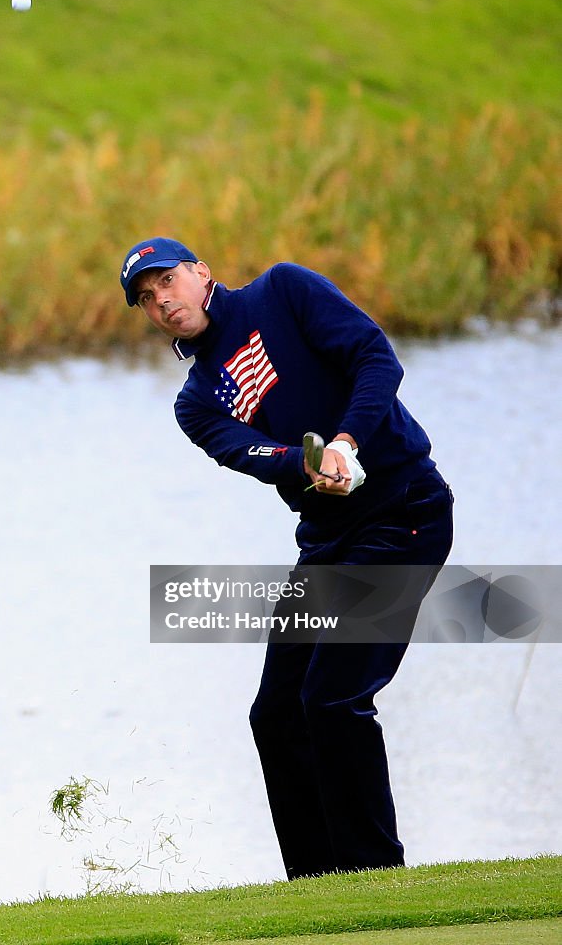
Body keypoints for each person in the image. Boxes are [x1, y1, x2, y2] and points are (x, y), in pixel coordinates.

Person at [120, 236, 454, 880]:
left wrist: (348, 442)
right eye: (145, 297)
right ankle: (315, 883)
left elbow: (376, 360)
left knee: (333, 700)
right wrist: (307, 461)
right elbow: (249, 453)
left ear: (201, 273)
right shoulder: (195, 404)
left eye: (167, 280)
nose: (161, 299)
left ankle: (373, 875)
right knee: (276, 714)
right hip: (328, 542)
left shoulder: (284, 292)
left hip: (403, 513)